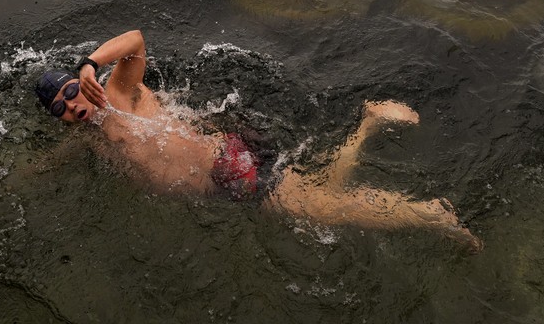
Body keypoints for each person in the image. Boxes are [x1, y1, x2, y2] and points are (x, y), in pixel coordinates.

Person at [34, 29, 480, 249]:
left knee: (324, 210)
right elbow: (58, 158)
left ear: (79, 85)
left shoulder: (114, 94)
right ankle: (368, 125)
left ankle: (429, 214)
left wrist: (87, 63)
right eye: (61, 108)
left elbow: (135, 40)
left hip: (227, 169)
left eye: (70, 92)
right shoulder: (92, 135)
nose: (72, 105)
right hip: (222, 183)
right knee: (320, 196)